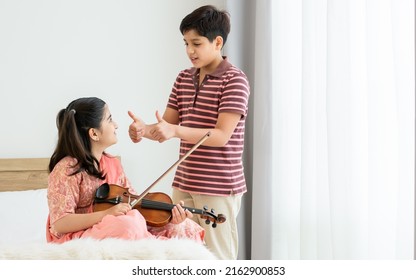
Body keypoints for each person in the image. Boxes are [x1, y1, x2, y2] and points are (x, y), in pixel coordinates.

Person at [128, 5, 250, 259]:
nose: (189, 51)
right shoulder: (183, 78)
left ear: (218, 42)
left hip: (217, 185)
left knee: (218, 257)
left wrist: (172, 130)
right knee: (180, 252)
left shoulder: (235, 80)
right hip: (184, 181)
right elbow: (167, 127)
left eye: (196, 43)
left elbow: (220, 136)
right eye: (185, 43)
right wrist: (144, 130)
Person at [46, 97, 205, 244]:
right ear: (94, 133)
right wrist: (105, 215)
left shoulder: (112, 163)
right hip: (79, 236)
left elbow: (135, 205)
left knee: (185, 227)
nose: (116, 125)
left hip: (119, 224)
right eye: (109, 120)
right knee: (128, 226)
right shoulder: (66, 169)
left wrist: (171, 218)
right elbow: (60, 223)